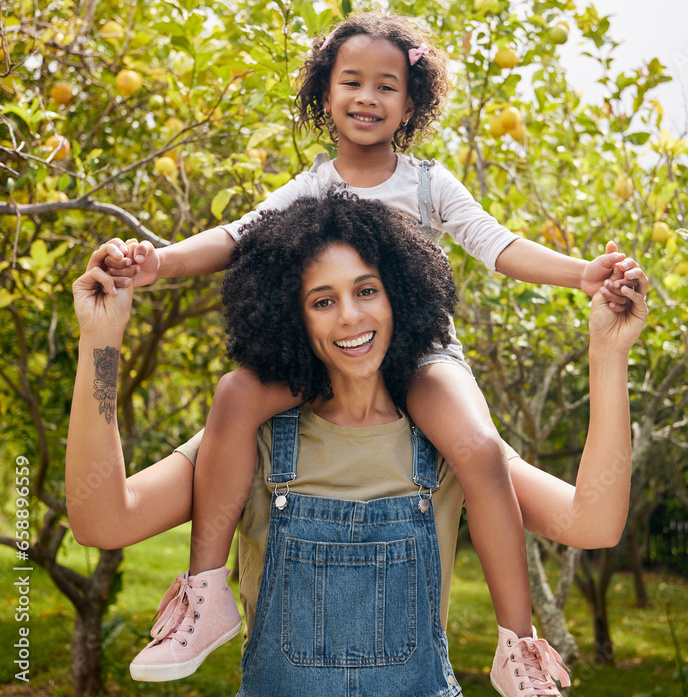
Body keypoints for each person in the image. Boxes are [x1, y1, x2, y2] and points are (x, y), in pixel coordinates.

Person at [101, 10, 645, 694]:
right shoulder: (312, 183)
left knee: (477, 448)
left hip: (419, 356)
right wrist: (160, 263)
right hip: (325, 359)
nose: (366, 96)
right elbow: (236, 236)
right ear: (324, 95)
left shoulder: (427, 183)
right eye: (350, 81)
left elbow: (497, 245)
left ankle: (518, 644)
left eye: (386, 85)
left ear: (411, 103)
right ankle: (207, 591)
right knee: (235, 394)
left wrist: (580, 272)